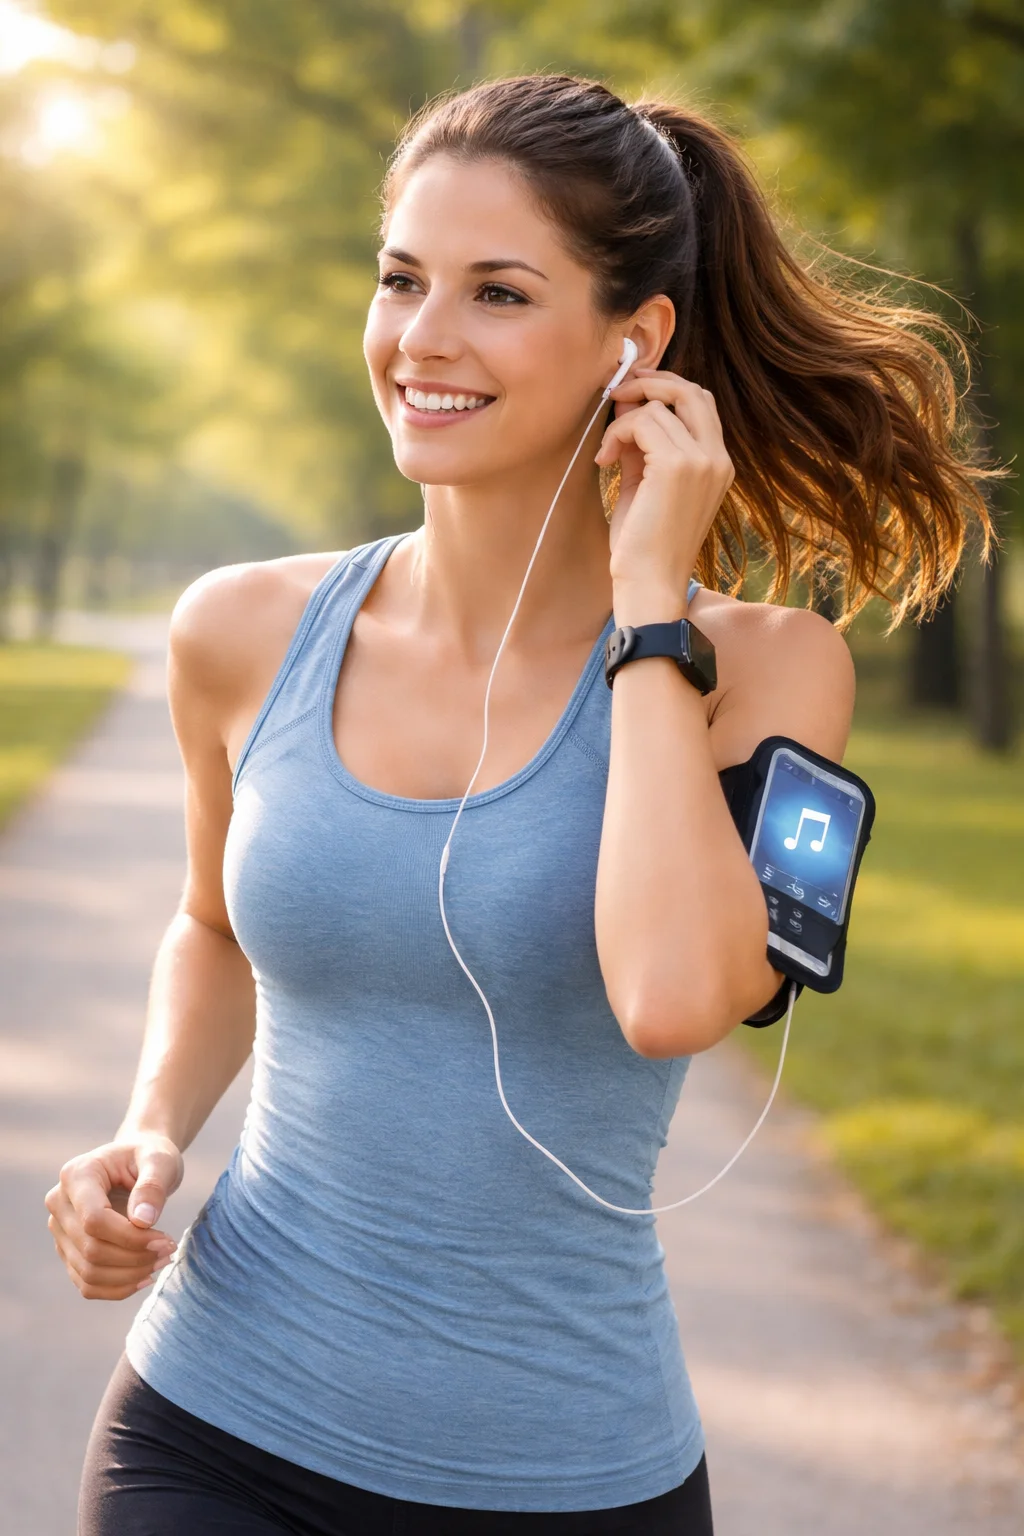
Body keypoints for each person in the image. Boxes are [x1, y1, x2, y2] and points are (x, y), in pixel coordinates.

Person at [46, 75, 990, 1536]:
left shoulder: (766, 671)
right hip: (212, 1429)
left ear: (636, 342)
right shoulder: (238, 631)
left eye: (497, 292)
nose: (423, 337)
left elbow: (674, 998)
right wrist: (154, 1125)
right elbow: (212, 924)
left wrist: (649, 613)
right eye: (401, 278)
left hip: (568, 1480)